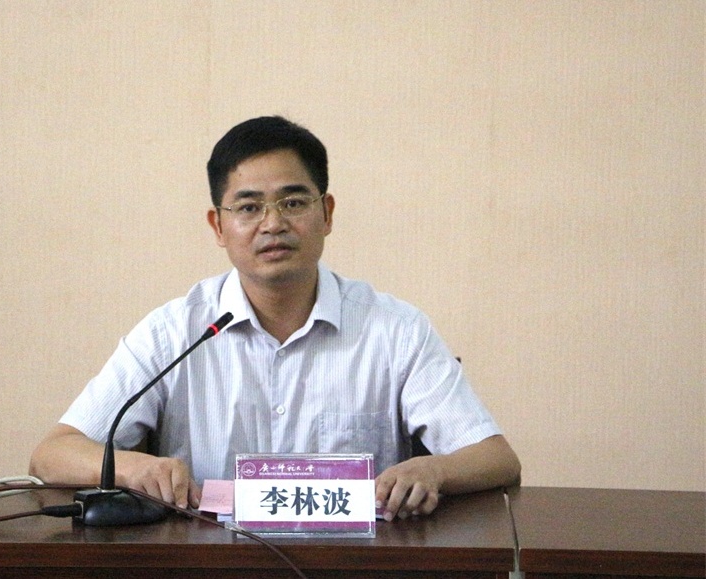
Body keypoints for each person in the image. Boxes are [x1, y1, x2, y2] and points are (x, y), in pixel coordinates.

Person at [29, 116, 520, 522]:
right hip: (208, 563)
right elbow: (53, 453)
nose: (273, 223)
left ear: (327, 214)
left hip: (354, 565)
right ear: (218, 226)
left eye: (293, 202)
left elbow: (497, 458)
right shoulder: (174, 332)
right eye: (249, 207)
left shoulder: (395, 330)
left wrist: (433, 470)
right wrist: (135, 468)